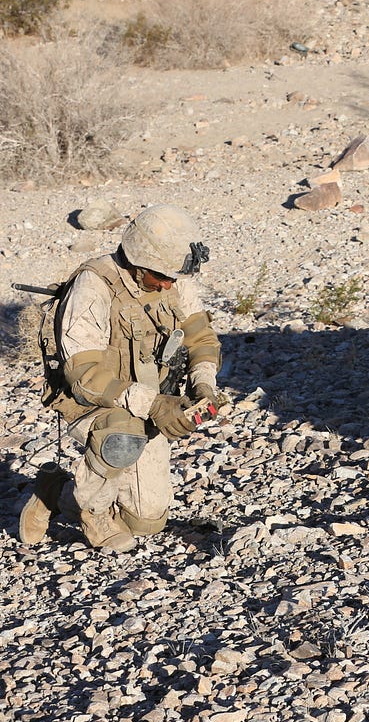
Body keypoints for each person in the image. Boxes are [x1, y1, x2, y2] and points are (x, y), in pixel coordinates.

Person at [18, 205, 223, 553]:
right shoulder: (93, 286)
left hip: (147, 400)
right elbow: (86, 377)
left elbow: (200, 339)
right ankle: (93, 514)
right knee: (121, 437)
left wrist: (203, 384)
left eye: (172, 277)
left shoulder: (172, 281)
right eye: (160, 275)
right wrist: (155, 404)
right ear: (137, 260)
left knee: (145, 521)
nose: (168, 284)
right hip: (91, 401)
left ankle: (58, 493)